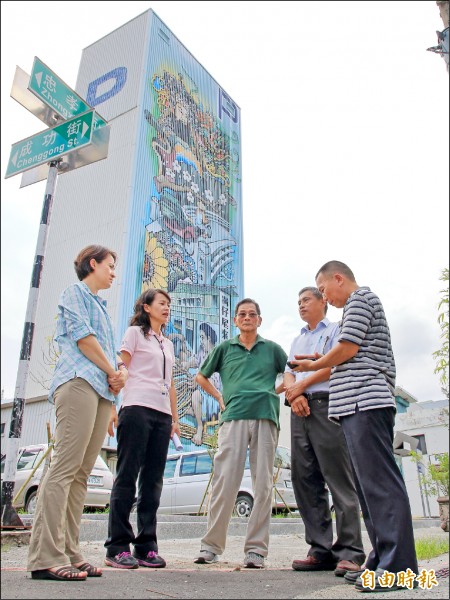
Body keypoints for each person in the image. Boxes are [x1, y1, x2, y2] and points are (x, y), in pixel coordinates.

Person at [292, 261, 418, 592]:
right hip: (352, 407)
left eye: (322, 289)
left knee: (380, 485)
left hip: (367, 402)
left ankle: (398, 567)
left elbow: (348, 348)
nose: (324, 296)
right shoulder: (354, 307)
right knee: (366, 488)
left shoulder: (361, 299)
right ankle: (380, 558)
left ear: (338, 278)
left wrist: (314, 364)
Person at [27, 245, 127, 582]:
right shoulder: (75, 293)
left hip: (101, 391)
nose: (114, 272)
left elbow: (113, 358)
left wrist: (117, 378)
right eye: (110, 266)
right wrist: (113, 370)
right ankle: (45, 556)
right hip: (77, 381)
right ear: (93, 263)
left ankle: (70, 550)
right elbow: (84, 340)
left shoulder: (102, 307)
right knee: (65, 467)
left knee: (82, 473)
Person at [193, 298, 288, 569]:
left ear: (260, 320)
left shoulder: (272, 349)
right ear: (235, 320)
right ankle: (211, 546)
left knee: (263, 485)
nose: (247, 317)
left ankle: (256, 550)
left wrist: (274, 391)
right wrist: (219, 397)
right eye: (242, 314)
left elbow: (290, 373)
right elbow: (201, 376)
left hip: (266, 417)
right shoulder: (225, 348)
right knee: (225, 481)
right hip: (233, 417)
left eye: (252, 314)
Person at [283, 287, 365, 576]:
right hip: (299, 407)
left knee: (338, 477)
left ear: (323, 302)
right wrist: (295, 395)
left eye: (306, 300)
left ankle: (350, 551)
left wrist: (301, 387)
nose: (301, 305)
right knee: (304, 478)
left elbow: (334, 363)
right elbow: (289, 372)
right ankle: (319, 549)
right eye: (299, 301)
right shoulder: (297, 339)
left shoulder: (337, 329)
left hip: (328, 405)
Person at [104, 288, 180, 569]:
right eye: (162, 303)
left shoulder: (168, 344)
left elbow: (170, 383)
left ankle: (146, 545)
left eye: (168, 304)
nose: (166, 307)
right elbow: (119, 368)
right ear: (147, 307)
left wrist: (174, 419)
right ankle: (117, 546)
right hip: (135, 408)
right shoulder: (135, 333)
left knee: (153, 481)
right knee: (126, 476)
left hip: (161, 415)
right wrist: (113, 405)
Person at [183, 322, 222, 445]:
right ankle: (194, 409)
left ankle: (200, 428)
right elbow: (195, 360)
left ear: (209, 338)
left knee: (195, 395)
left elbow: (213, 383)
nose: (200, 340)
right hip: (201, 392)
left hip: (214, 398)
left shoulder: (217, 355)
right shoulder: (202, 350)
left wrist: (199, 381)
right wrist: (187, 364)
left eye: (202, 337)